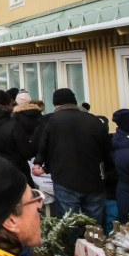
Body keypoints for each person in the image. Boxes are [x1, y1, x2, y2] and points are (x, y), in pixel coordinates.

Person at [34, 88, 112, 227]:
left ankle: (71, 247)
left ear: (55, 104)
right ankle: (93, 244)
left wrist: (40, 163)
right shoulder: (93, 120)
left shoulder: (52, 121)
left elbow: (44, 146)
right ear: (74, 102)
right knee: (93, 223)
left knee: (68, 222)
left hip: (65, 177)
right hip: (93, 177)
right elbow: (106, 149)